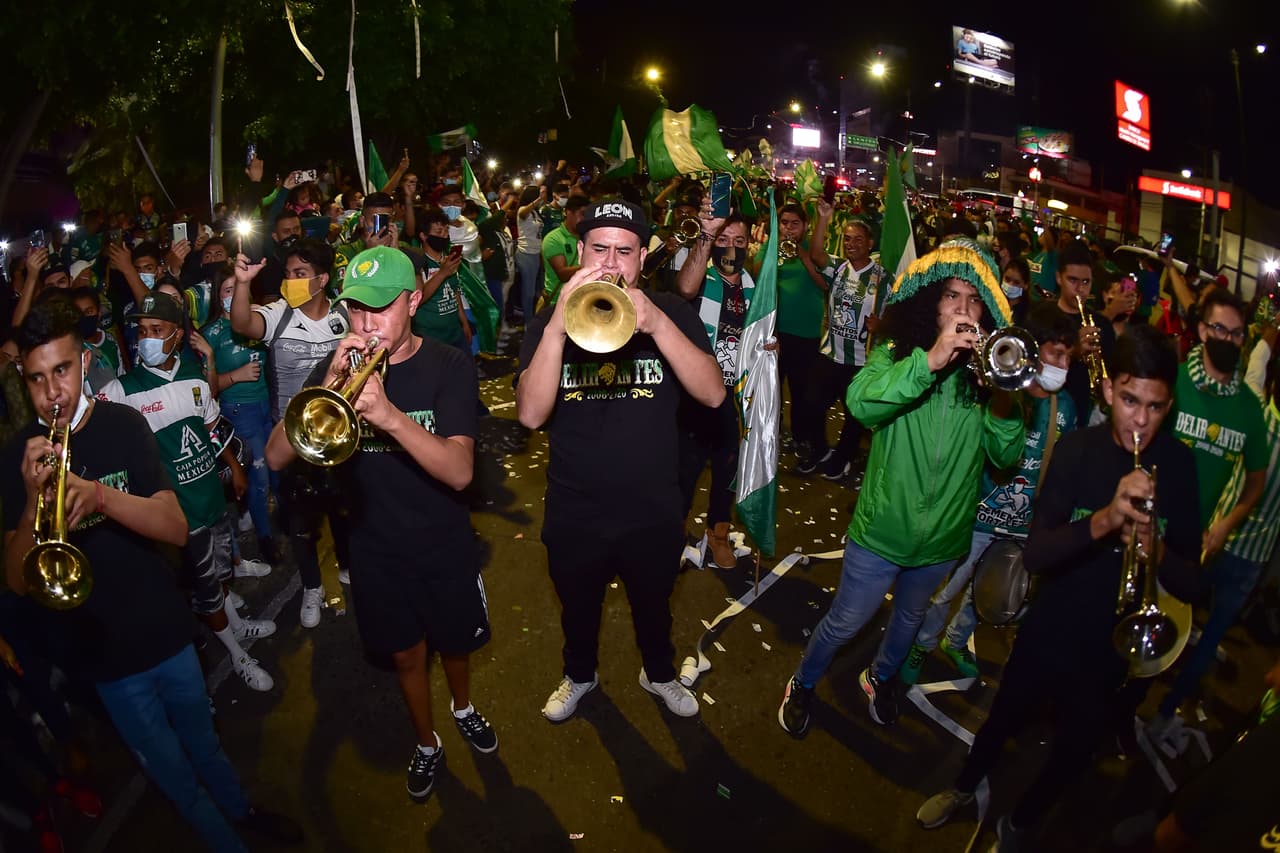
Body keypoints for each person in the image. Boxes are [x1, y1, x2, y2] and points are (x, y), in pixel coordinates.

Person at [2, 299, 301, 853]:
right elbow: (17, 583)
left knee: (206, 745)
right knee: (173, 774)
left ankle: (244, 812)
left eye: (62, 371)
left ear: (84, 363)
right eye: (37, 378)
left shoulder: (123, 425)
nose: (52, 393)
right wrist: (27, 505)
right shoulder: (15, 458)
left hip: (164, 633)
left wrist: (100, 497)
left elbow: (175, 525)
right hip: (104, 657)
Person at [915, 325, 1200, 853]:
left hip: (1112, 646)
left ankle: (1022, 823)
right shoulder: (1076, 450)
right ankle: (960, 787)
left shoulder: (1179, 467)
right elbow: (1037, 553)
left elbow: (1192, 583)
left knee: (1074, 749)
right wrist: (1108, 519)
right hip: (1051, 624)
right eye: (1131, 399)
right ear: (1111, 389)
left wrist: (1152, 545)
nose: (1141, 420)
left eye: (1156, 408)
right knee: (1003, 719)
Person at [265, 246, 495, 802]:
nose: (367, 325)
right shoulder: (338, 370)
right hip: (373, 547)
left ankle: (464, 707)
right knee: (405, 654)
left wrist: (388, 416)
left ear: (414, 301)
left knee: (454, 643)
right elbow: (275, 456)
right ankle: (426, 741)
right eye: (357, 312)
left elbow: (461, 472)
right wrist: (325, 379)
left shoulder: (449, 365)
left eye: (381, 309)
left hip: (442, 542)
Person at [777, 240, 1025, 736]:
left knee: (908, 621)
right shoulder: (897, 351)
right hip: (883, 531)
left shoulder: (988, 375)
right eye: (951, 296)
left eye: (974, 300)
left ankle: (882, 677)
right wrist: (929, 362)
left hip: (942, 541)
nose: (962, 309)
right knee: (845, 623)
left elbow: (1006, 456)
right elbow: (861, 404)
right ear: (930, 300)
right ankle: (803, 682)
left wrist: (1000, 398)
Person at [517, 199, 725, 722]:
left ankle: (658, 673)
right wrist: (558, 329)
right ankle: (579, 673)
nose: (610, 264)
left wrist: (656, 324)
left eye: (624, 251)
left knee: (654, 605)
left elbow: (714, 395)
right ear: (580, 251)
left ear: (642, 257)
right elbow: (529, 414)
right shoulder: (550, 320)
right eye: (599, 249)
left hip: (652, 506)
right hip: (575, 505)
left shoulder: (671, 312)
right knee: (578, 606)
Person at [97, 293, 276, 692]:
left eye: (157, 331)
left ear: (177, 336)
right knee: (206, 592)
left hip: (212, 501)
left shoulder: (195, 378)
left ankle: (239, 626)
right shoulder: (121, 392)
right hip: (181, 517)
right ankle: (237, 654)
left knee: (221, 576)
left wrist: (232, 468)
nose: (147, 339)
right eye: (142, 331)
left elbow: (211, 429)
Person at [899, 302, 1079, 684]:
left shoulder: (1068, 408)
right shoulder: (1001, 389)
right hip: (977, 516)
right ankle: (922, 644)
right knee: (947, 589)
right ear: (1031, 350)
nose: (1063, 362)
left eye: (1068, 354)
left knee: (985, 593)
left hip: (1023, 523)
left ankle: (956, 640)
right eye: (1055, 353)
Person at [1148, 288, 1269, 731]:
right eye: (1219, 329)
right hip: (1142, 525)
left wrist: (1225, 525)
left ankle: (1126, 715)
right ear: (1201, 330)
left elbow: (1255, 482)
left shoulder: (1248, 410)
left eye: (1238, 334)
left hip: (1187, 543)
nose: (1229, 340)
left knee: (1158, 640)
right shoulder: (1173, 381)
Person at [230, 239, 351, 629]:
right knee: (300, 521)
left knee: (342, 509)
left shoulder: (343, 314)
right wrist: (243, 283)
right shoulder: (278, 314)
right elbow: (242, 323)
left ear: (322, 279)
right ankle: (312, 587)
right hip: (292, 441)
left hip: (336, 436)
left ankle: (349, 568)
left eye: (300, 274)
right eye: (287, 274)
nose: (291, 281)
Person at [673, 212, 755, 568]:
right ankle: (674, 534)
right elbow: (685, 289)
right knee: (683, 469)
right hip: (692, 394)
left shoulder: (757, 287)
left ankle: (718, 535)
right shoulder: (699, 274)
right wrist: (705, 239)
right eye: (724, 240)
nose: (731, 249)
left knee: (727, 470)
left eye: (739, 242)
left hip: (734, 396)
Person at [796, 199, 888, 480]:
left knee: (854, 417)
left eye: (858, 239)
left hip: (861, 361)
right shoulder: (837, 268)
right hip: (831, 354)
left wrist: (881, 326)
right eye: (847, 239)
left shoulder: (884, 278)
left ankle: (843, 457)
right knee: (811, 405)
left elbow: (898, 318)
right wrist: (824, 218)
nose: (851, 244)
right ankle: (821, 450)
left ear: (870, 243)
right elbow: (815, 253)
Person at [202, 265, 277, 563]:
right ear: (218, 298)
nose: (234, 296)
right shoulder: (211, 334)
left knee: (276, 475)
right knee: (260, 480)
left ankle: (263, 520)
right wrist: (237, 375)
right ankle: (266, 539)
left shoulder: (259, 321)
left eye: (239, 289)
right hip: (239, 411)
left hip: (267, 407)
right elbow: (205, 391)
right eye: (228, 291)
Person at [773, 203, 828, 460]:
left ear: (805, 226)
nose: (789, 228)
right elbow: (758, 274)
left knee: (800, 391)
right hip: (776, 333)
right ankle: (770, 433)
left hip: (805, 335)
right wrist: (775, 251)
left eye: (795, 223)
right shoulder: (772, 245)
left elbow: (824, 285)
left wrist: (804, 258)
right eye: (784, 223)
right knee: (772, 389)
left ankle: (799, 436)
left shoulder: (814, 251)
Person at [1055, 238, 1114, 422]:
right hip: (1049, 409)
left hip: (1085, 414)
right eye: (1072, 280)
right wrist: (1074, 350)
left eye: (1086, 282)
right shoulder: (1042, 317)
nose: (1080, 289)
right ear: (1058, 278)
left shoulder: (1102, 324)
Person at [410, 209, 470, 351]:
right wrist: (442, 274)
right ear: (424, 236)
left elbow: (455, 292)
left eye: (446, 230)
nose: (444, 235)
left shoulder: (448, 258)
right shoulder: (418, 263)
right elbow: (418, 299)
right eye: (438, 232)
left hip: (455, 333)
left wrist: (464, 323)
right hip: (431, 338)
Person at [540, 195, 589, 307]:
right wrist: (592, 267)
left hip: (583, 301)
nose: (585, 219)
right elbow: (562, 274)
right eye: (582, 214)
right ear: (568, 212)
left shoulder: (587, 237)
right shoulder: (553, 239)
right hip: (559, 302)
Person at [1000, 257, 1032, 326]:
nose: (1010, 285)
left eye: (1016, 282)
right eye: (1007, 279)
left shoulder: (1029, 314)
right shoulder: (994, 304)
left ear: (1026, 285)